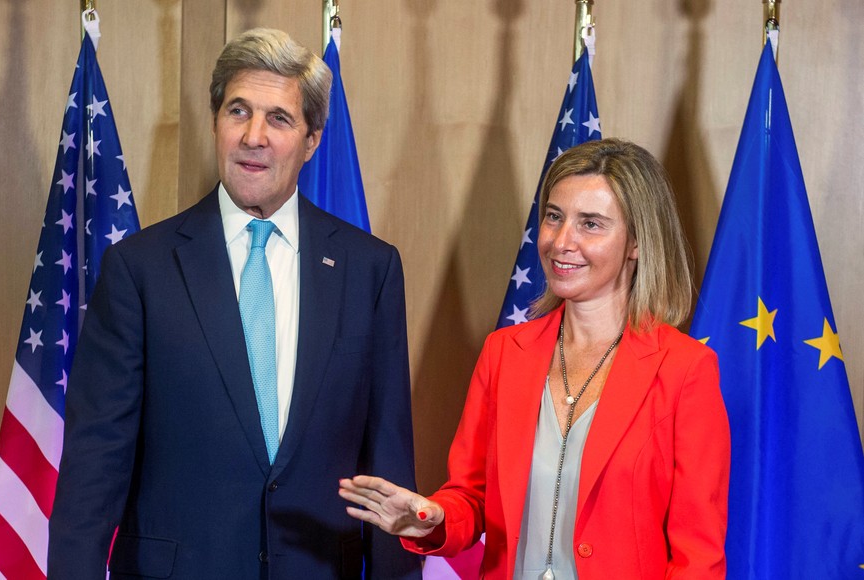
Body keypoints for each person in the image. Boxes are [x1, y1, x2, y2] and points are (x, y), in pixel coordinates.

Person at [49, 28, 420, 579]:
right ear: (216, 121)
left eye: (279, 118)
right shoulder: (139, 269)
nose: (253, 136)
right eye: (238, 111)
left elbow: (387, 463)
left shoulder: (371, 270)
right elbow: (94, 468)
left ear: (313, 139)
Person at [340, 138, 731, 579]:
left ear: (637, 242)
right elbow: (470, 497)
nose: (562, 241)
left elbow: (699, 556)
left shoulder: (684, 369)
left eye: (591, 224)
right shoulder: (504, 353)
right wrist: (431, 518)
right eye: (554, 217)